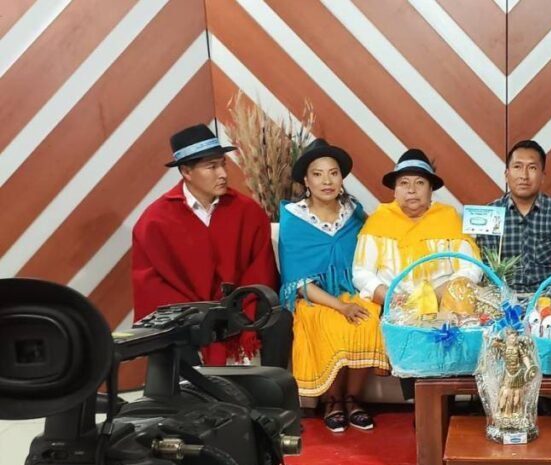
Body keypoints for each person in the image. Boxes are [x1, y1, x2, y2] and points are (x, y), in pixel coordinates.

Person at [131, 123, 290, 367]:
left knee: (279, 318)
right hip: (187, 311)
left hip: (238, 304)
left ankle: (273, 386)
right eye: (212, 167)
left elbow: (262, 267)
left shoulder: (247, 211)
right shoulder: (155, 221)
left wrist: (239, 303)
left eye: (223, 164)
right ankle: (195, 390)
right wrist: (197, 312)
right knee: (170, 332)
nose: (223, 174)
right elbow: (150, 283)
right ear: (186, 171)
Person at [352, 149, 482, 398]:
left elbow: (470, 266)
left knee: (457, 310)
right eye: (404, 183)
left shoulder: (448, 218)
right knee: (408, 326)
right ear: (395, 190)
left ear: (431, 189)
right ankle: (421, 404)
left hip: (444, 301)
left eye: (420, 183)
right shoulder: (379, 220)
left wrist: (440, 293)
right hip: (398, 303)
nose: (411, 190)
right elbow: (361, 272)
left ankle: (451, 397)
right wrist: (391, 297)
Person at [278, 139, 385, 432]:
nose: (327, 181)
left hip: (353, 290)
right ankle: (332, 400)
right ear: (306, 181)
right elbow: (298, 282)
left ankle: (353, 399)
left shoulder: (354, 212)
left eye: (333, 173)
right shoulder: (294, 218)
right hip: (314, 296)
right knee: (329, 322)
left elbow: (373, 249)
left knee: (369, 318)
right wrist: (340, 306)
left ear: (341, 178)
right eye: (318, 174)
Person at [475, 140, 551, 300]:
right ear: (506, 174)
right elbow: (484, 265)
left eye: (532, 168)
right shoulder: (491, 213)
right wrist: (504, 300)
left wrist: (547, 297)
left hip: (547, 298)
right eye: (517, 167)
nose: (524, 176)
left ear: (542, 176)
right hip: (500, 299)